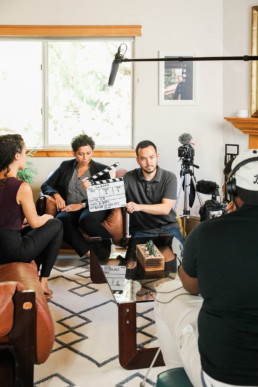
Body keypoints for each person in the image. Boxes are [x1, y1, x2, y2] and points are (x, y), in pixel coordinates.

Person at [154, 149, 258, 386]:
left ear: (230, 190)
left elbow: (191, 287)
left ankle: (177, 375)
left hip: (224, 377)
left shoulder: (207, 233)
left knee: (165, 295)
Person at [0, 134, 63, 299]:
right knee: (56, 224)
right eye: (25, 153)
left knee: (40, 228)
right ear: (16, 156)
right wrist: (47, 218)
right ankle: (43, 282)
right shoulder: (21, 186)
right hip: (12, 251)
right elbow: (35, 223)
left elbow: (10, 218)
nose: (26, 157)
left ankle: (38, 279)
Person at [41, 133, 111, 258]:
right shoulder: (65, 166)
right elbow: (46, 185)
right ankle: (88, 252)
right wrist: (56, 195)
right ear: (73, 153)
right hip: (70, 207)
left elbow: (106, 197)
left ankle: (108, 247)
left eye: (88, 153)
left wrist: (82, 204)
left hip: (92, 207)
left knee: (85, 219)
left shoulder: (102, 170)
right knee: (60, 220)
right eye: (80, 154)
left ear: (92, 152)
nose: (85, 158)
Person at [123, 140, 183, 269]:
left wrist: (139, 206)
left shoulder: (169, 177)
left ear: (157, 157)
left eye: (151, 157)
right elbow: (109, 194)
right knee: (131, 266)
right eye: (143, 158)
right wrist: (89, 188)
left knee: (176, 266)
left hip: (168, 228)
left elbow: (165, 209)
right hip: (141, 229)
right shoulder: (128, 178)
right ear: (137, 160)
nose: (148, 162)